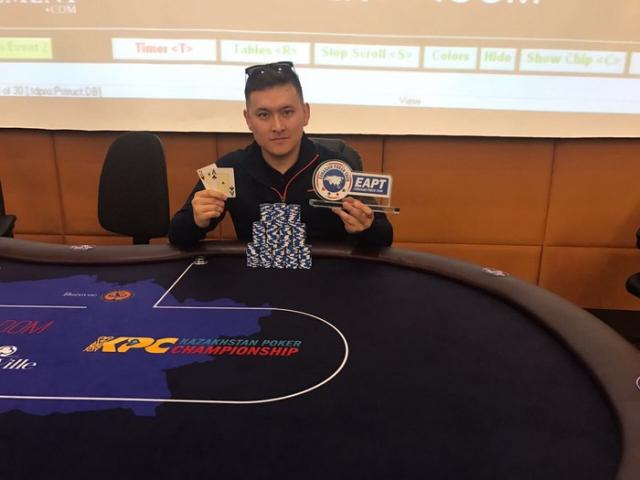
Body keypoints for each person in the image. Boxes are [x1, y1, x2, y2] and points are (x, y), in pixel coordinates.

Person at [168, 61, 393, 248]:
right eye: (263, 115)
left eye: (287, 112)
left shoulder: (337, 167)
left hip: (327, 279)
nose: (277, 126)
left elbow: (384, 236)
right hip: (256, 281)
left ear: (305, 113)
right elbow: (177, 234)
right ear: (248, 119)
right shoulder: (227, 170)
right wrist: (196, 221)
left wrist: (367, 228)